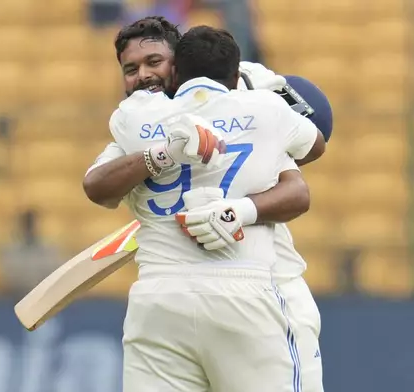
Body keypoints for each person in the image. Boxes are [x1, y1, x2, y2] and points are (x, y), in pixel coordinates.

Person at [84, 16, 332, 392]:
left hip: (173, 297)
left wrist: (240, 211)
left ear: (180, 64)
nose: (144, 76)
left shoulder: (132, 122)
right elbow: (97, 186)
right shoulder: (254, 108)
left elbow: (296, 193)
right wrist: (163, 154)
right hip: (241, 298)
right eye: (131, 69)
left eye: (155, 62)